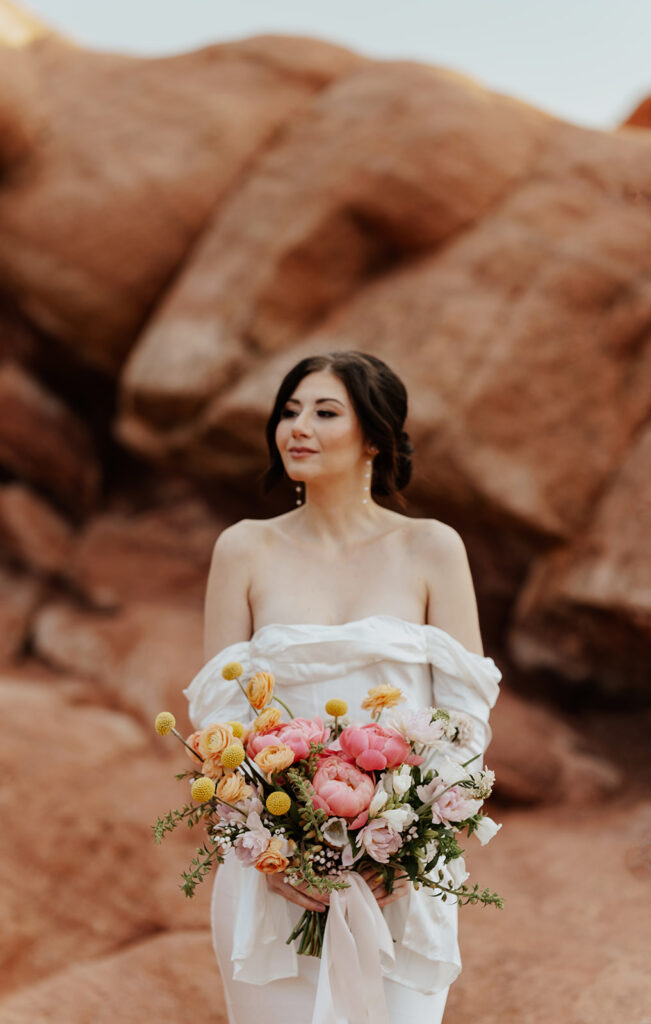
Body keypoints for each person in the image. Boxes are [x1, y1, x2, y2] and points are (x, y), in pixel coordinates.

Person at [184, 350, 502, 1024]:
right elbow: (218, 725)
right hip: (274, 879)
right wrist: (269, 850)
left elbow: (464, 724)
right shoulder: (243, 549)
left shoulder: (431, 548)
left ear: (375, 438)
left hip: (401, 875)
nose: (296, 426)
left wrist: (410, 845)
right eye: (289, 411)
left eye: (325, 412)